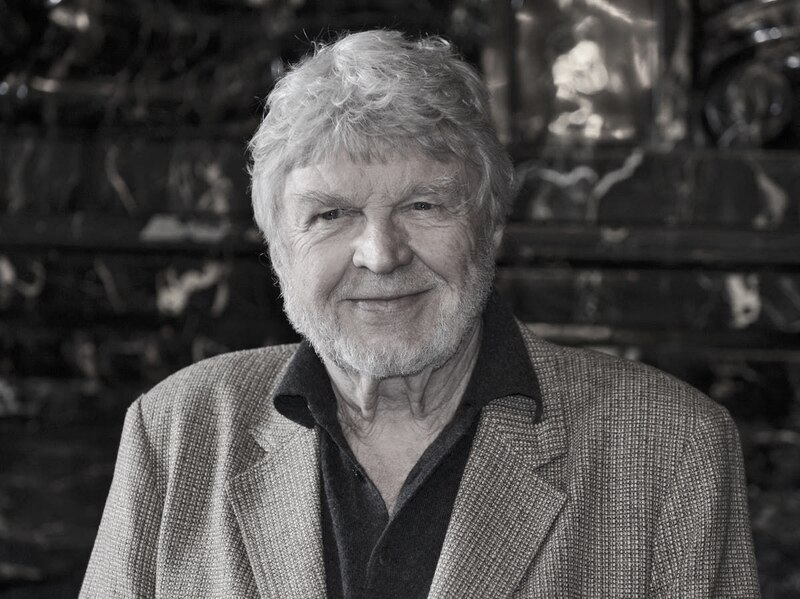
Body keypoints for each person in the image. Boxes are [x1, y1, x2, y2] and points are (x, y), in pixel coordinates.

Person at [81, 30, 759, 598]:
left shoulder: (673, 449)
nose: (380, 254)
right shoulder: (176, 432)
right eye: (330, 214)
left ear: (491, 224)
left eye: (424, 205)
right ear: (279, 247)